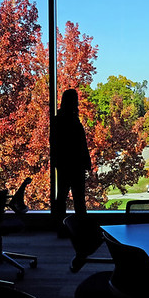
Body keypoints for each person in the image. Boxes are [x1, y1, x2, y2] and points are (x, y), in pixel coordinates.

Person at [51, 89, 92, 226]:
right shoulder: (74, 120)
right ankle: (81, 227)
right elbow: (81, 143)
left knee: (62, 196)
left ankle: (60, 226)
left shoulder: (58, 120)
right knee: (78, 198)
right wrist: (86, 161)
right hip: (76, 164)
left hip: (64, 164)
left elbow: (54, 143)